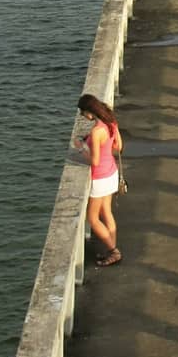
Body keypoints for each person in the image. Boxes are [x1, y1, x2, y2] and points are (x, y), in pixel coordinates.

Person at [76, 93, 123, 266]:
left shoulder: (96, 132)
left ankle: (113, 252)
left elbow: (94, 161)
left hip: (100, 178)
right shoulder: (110, 120)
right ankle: (111, 248)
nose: (83, 116)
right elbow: (118, 146)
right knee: (106, 212)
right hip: (112, 172)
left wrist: (81, 149)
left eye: (83, 113)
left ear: (89, 111)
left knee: (93, 219)